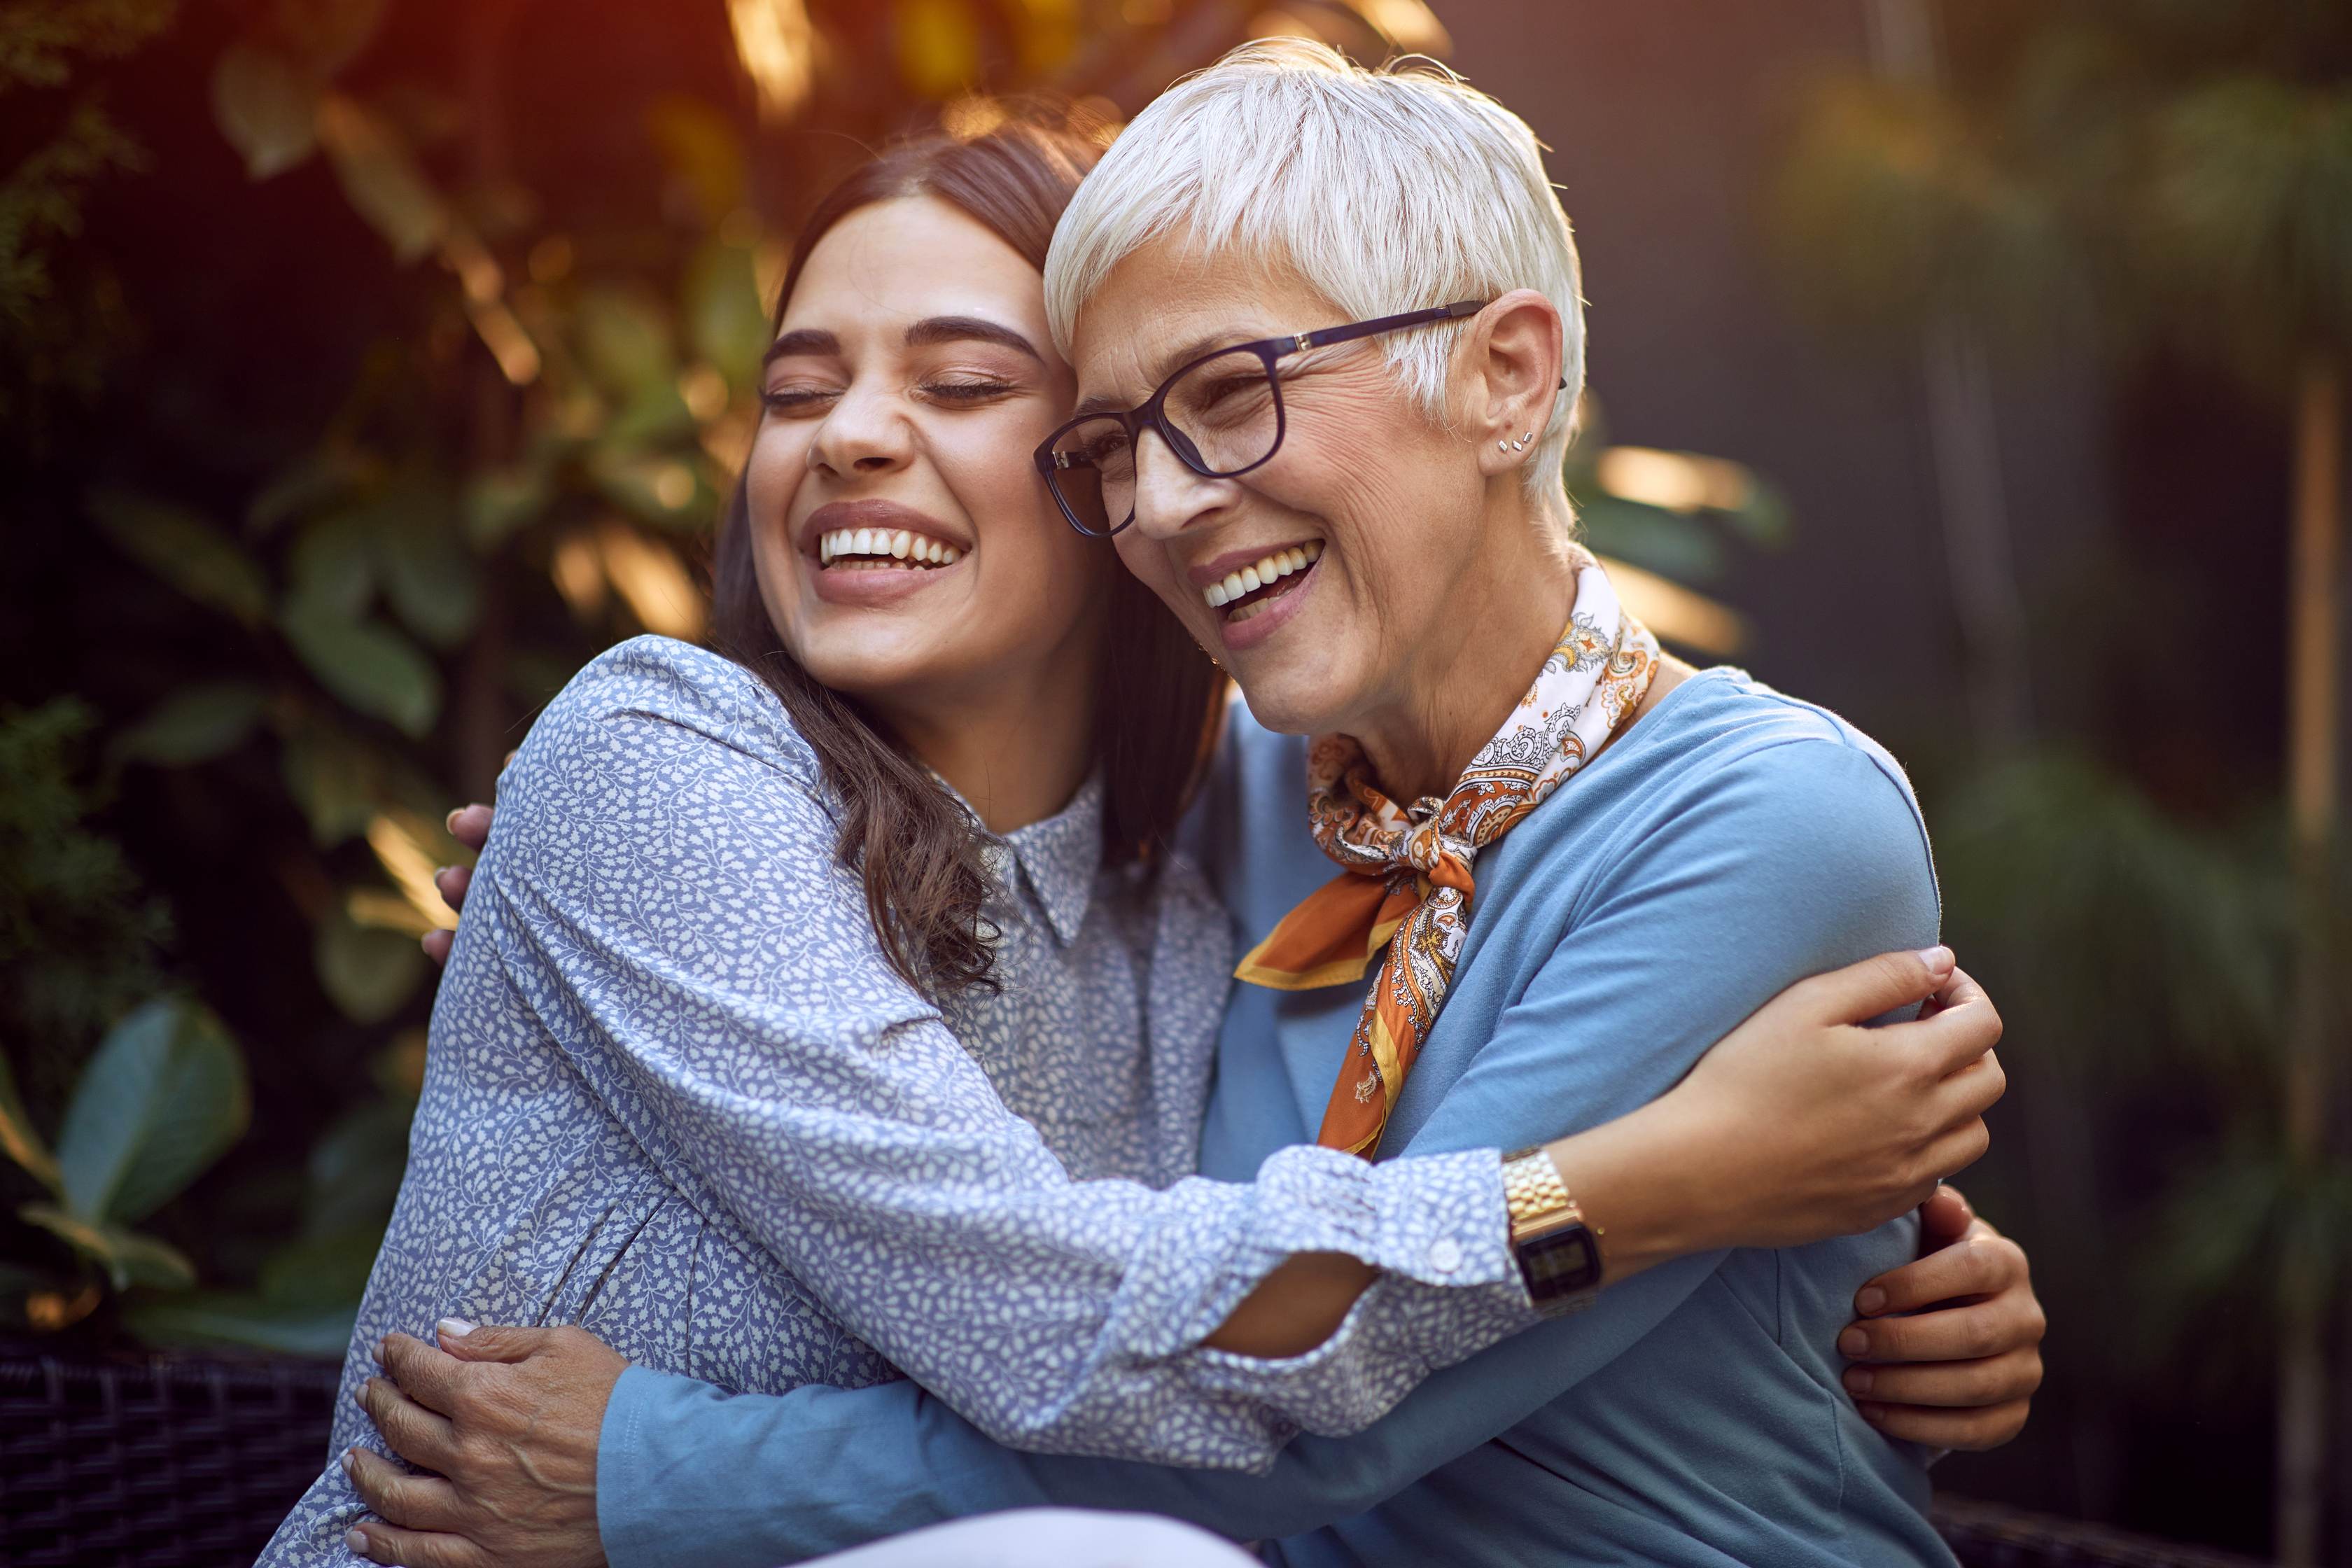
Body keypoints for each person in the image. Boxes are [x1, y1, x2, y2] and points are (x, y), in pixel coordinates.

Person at [332, 53, 2043, 1568]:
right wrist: (593, 891)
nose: (1158, 498)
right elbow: (1104, 1266)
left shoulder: (1766, 822)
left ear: (1512, 375)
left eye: (1230, 395)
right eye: (1120, 440)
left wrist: (664, 1474)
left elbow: (1310, 1422)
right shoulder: (1241, 815)